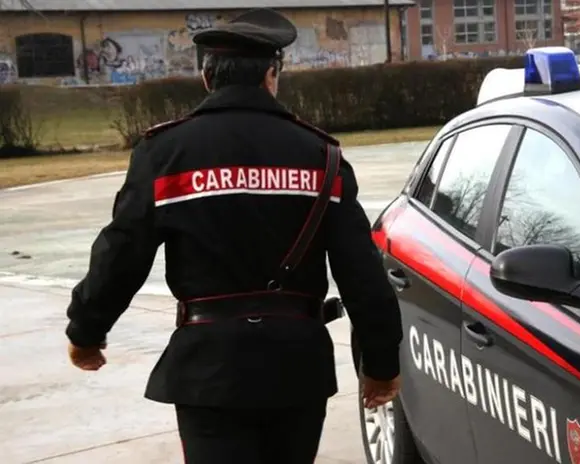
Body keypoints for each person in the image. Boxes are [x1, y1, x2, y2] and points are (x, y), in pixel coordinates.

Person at [64, 8, 403, 463]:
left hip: (209, 370)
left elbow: (123, 251)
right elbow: (360, 271)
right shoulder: (322, 156)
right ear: (271, 75)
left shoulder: (165, 153)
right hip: (296, 367)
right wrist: (380, 364)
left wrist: (87, 330)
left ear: (207, 78)